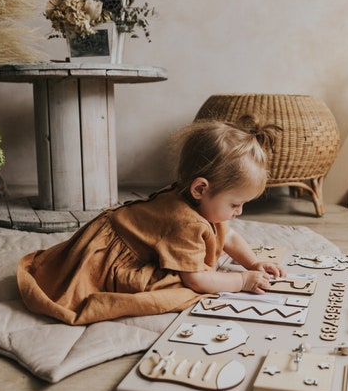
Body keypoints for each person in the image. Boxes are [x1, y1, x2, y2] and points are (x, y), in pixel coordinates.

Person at [16, 116, 286, 325]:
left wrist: (252, 261)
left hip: (119, 227)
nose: (239, 212)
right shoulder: (188, 223)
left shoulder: (196, 202)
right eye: (235, 205)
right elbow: (197, 280)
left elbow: (227, 235)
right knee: (172, 289)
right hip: (107, 253)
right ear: (200, 189)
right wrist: (242, 282)